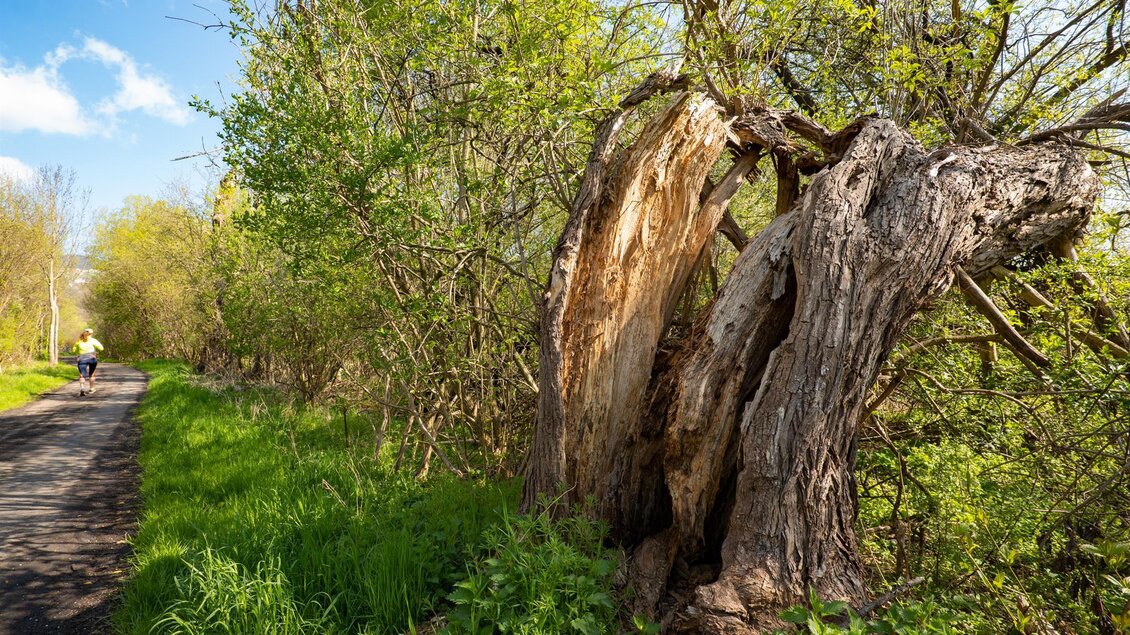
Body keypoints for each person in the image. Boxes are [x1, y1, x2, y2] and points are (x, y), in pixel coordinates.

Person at [71, 328, 104, 396]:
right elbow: (101, 348)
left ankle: (82, 389)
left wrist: (78, 353)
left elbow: (73, 350)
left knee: (82, 374)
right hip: (92, 358)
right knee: (91, 374)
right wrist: (96, 352)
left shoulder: (79, 341)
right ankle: (92, 388)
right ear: (91, 334)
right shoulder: (93, 340)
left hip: (82, 358)